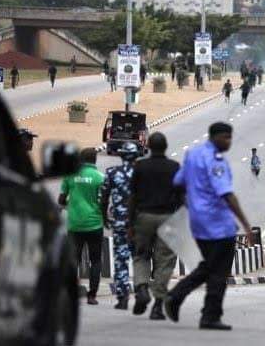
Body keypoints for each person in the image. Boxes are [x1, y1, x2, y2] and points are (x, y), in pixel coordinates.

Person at [164, 122, 254, 330]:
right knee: (219, 270)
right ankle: (200, 310)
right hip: (218, 224)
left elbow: (178, 182)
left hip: (198, 223)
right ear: (214, 137)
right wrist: (246, 226)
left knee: (210, 266)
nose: (229, 142)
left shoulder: (192, 155)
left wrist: (189, 203)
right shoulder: (216, 161)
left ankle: (193, 306)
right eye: (226, 137)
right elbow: (227, 195)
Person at [129, 132, 183, 319]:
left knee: (141, 255)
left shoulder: (140, 166)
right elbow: (182, 197)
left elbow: (133, 196)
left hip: (144, 216)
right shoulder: (174, 167)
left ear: (149, 146)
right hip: (168, 217)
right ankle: (158, 305)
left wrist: (130, 223)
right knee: (165, 261)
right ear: (165, 146)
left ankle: (142, 288)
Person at [58, 148, 105, 305]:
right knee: (96, 260)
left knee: (73, 260)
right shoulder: (100, 177)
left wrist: (69, 205)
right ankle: (92, 296)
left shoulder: (70, 175)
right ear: (94, 160)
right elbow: (103, 202)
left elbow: (61, 199)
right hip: (95, 224)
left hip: (74, 225)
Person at [100, 142, 139, 310]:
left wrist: (104, 217)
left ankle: (122, 297)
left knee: (121, 260)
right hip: (139, 224)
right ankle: (141, 292)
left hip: (119, 222)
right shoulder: (141, 173)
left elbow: (103, 197)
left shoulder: (112, 173)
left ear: (121, 155)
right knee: (140, 260)